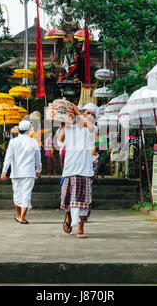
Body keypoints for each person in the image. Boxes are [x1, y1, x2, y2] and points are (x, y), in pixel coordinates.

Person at [58, 102, 97, 238]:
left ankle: (80, 228)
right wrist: (63, 124)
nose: (90, 116)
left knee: (82, 202)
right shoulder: (70, 128)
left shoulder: (92, 129)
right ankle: (68, 218)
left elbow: (90, 127)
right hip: (69, 170)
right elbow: (60, 140)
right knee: (68, 201)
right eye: (87, 113)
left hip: (85, 171)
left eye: (92, 114)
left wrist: (79, 113)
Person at [1, 120, 42, 224]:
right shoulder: (33, 142)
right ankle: (22, 217)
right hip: (28, 173)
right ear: (29, 130)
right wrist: (39, 170)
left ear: (19, 129)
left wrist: (4, 171)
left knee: (17, 194)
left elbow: (8, 157)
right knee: (26, 194)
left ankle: (19, 215)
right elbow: (38, 159)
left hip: (16, 173)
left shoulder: (13, 142)